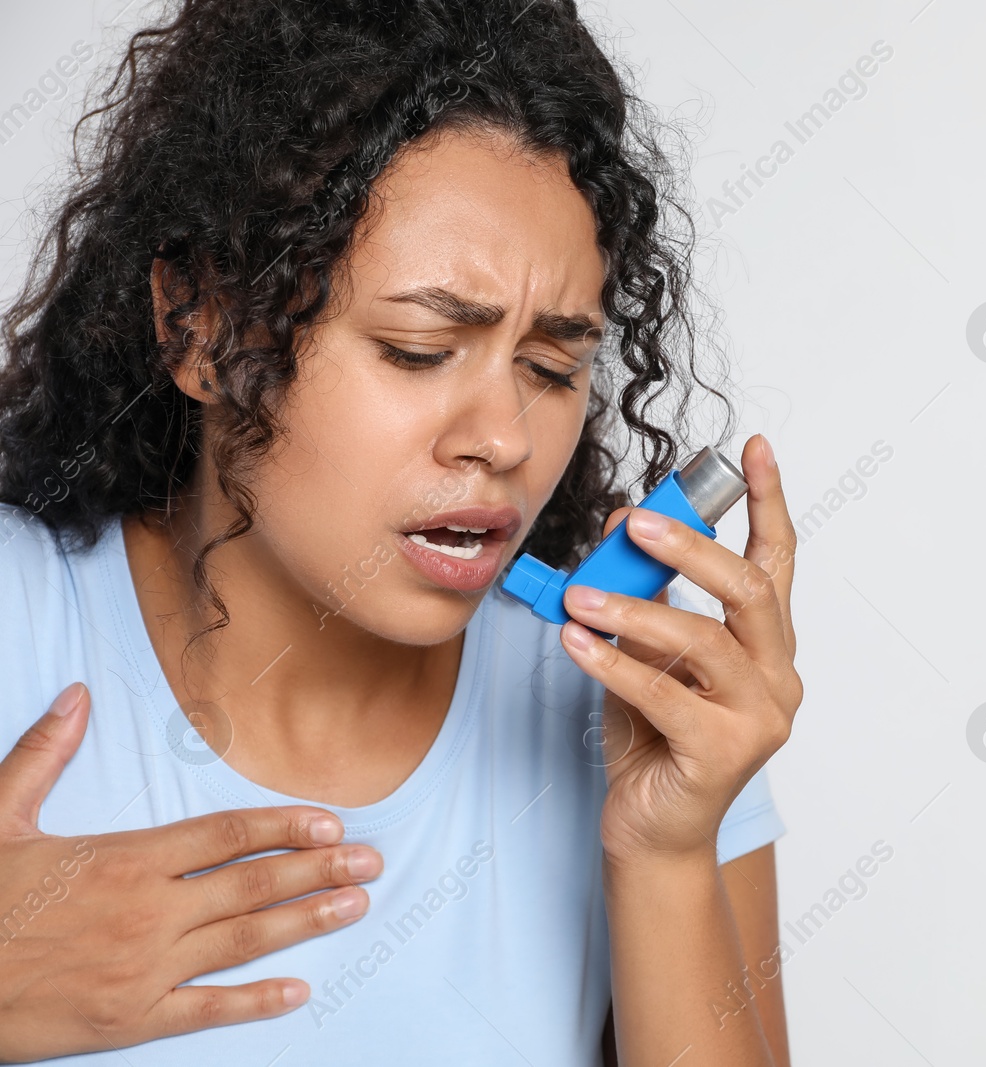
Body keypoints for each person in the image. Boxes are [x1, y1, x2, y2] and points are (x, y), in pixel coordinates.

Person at [0, 1, 802, 1064]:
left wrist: (664, 853)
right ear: (198, 323)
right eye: (420, 349)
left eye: (553, 367)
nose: (504, 439)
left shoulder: (644, 721)